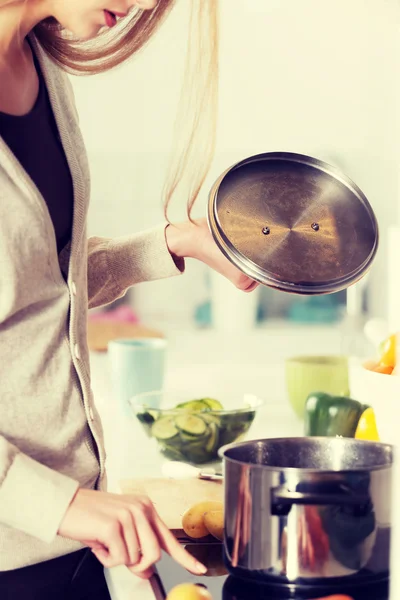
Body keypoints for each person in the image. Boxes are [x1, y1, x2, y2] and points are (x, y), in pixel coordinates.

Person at [0, 0, 257, 597]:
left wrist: (175, 245)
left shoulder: (40, 63)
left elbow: (36, 284)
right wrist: (57, 504)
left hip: (76, 538)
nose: (146, 4)